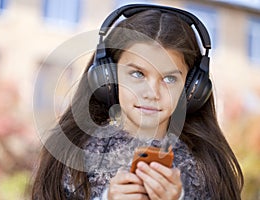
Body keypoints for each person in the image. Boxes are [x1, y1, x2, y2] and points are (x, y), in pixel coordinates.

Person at [31, 4, 244, 200]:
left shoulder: (210, 170)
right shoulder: (70, 157)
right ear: (108, 78)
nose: (152, 93)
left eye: (169, 78)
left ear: (191, 88)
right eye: (137, 74)